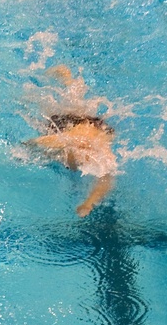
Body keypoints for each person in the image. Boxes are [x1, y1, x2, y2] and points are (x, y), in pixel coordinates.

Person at [26, 64, 117, 217]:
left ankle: (68, 80)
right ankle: (67, 78)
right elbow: (42, 142)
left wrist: (88, 204)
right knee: (64, 111)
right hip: (82, 129)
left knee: (72, 109)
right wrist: (29, 146)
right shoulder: (68, 145)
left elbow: (106, 179)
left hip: (89, 130)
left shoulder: (96, 154)